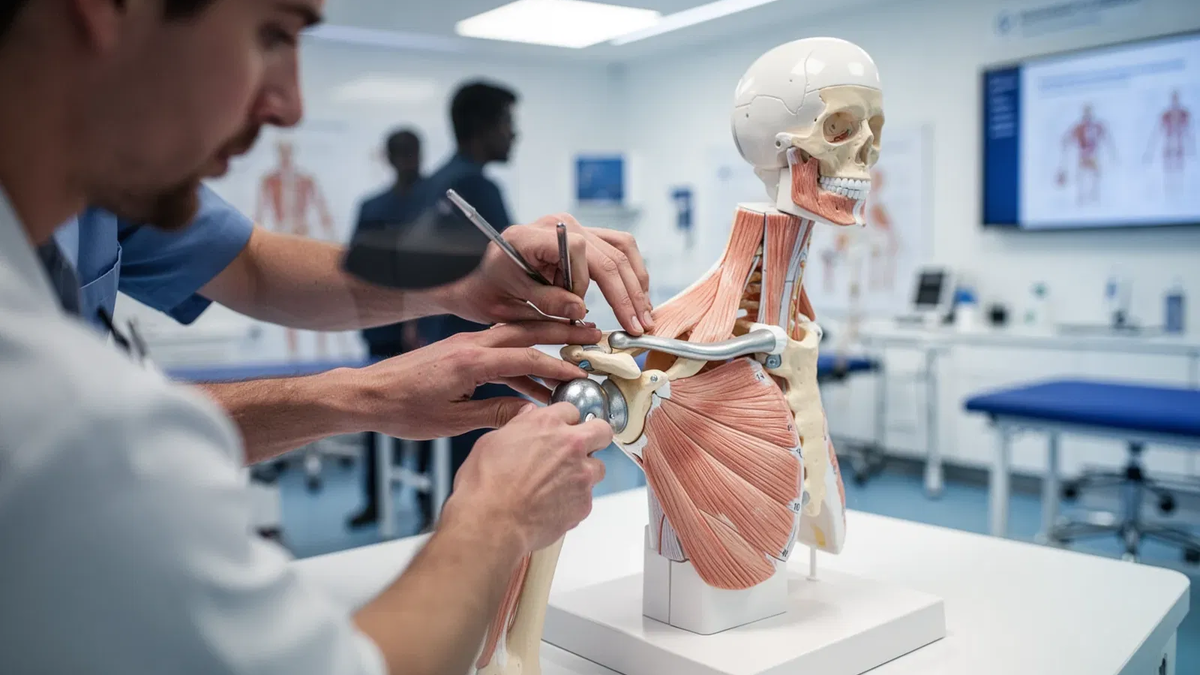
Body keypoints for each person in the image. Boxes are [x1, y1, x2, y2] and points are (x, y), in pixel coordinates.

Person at [0, 1, 629, 673]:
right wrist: (497, 516)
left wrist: (446, 291)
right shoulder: (58, 411)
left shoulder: (100, 186)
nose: (291, 106)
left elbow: (249, 261)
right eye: (271, 34)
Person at [349, 127, 432, 529]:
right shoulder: (372, 208)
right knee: (374, 413)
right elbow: (359, 270)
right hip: (382, 329)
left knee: (431, 416)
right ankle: (376, 501)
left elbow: (439, 272)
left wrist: (417, 319)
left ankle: (427, 501)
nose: (407, 161)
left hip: (427, 330)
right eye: (400, 153)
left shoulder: (436, 204)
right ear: (389, 157)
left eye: (412, 152)